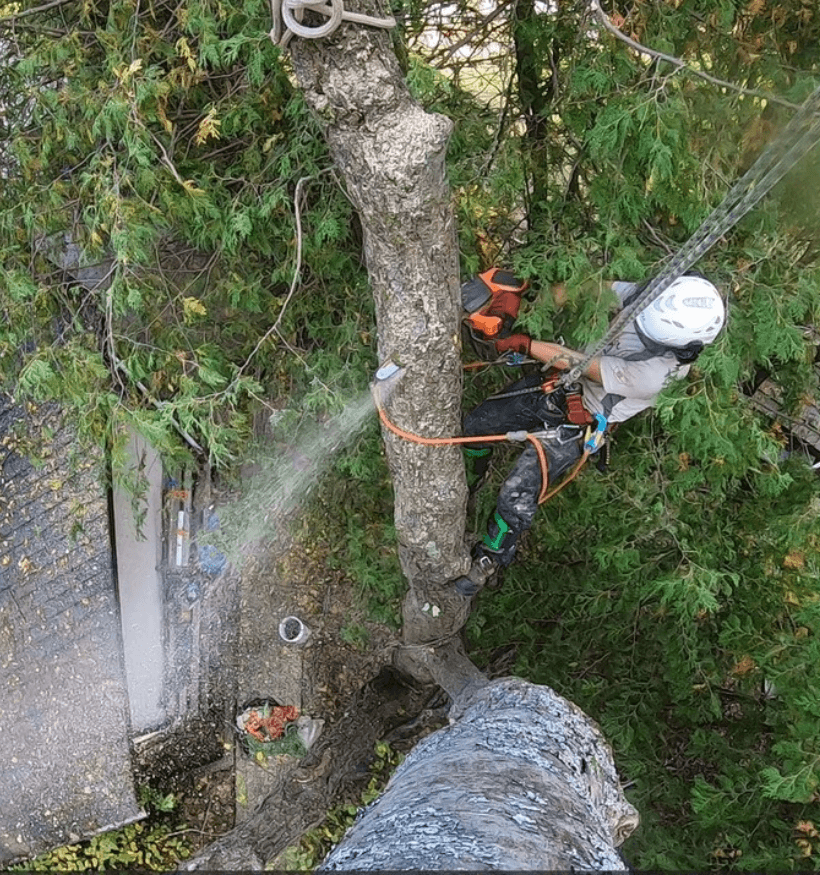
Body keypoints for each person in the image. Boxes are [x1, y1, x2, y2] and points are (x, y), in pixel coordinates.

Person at [454, 274, 726, 597]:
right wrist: (523, 308)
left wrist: (523, 343)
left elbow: (584, 366)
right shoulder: (649, 295)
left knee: (517, 492)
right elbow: (589, 289)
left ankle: (490, 559)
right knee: (475, 427)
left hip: (576, 421)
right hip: (555, 387)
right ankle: (468, 482)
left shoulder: (658, 374)